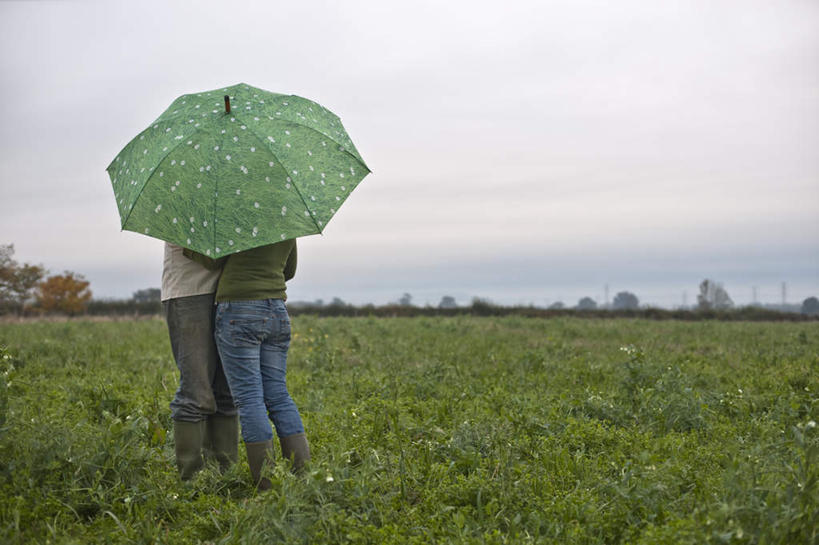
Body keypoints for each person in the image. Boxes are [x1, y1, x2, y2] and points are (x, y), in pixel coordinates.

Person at [185, 239, 309, 490]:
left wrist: (188, 247)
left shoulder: (237, 214)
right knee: (279, 396)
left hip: (239, 310)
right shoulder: (286, 216)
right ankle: (305, 478)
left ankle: (267, 484)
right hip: (276, 309)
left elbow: (213, 261)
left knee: (250, 399)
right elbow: (290, 270)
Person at [161, 242, 238, 480]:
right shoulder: (180, 205)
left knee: (226, 392)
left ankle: (225, 474)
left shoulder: (234, 206)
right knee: (196, 390)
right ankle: (191, 479)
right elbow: (209, 254)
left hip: (229, 294)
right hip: (189, 293)